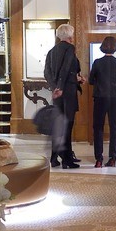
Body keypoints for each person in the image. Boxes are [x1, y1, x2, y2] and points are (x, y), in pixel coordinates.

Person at [42, 23, 83, 168]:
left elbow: (47, 72)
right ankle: (67, 160)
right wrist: (60, 87)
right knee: (68, 125)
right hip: (67, 92)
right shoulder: (70, 48)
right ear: (70, 35)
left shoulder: (51, 51)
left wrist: (54, 88)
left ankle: (55, 158)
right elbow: (65, 69)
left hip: (57, 94)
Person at [88, 35, 116, 168]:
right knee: (115, 127)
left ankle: (98, 159)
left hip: (100, 97)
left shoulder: (97, 62)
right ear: (115, 47)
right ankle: (113, 158)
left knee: (98, 127)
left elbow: (91, 81)